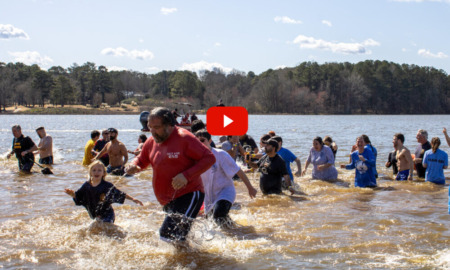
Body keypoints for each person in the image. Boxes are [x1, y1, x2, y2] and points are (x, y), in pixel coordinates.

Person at [125, 107, 215, 244]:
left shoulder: (184, 138)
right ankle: (193, 261)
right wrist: (133, 165)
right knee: (177, 239)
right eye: (150, 127)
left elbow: (209, 158)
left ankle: (186, 263)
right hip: (168, 200)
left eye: (157, 127)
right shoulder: (151, 141)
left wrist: (186, 175)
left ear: (169, 125)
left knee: (167, 234)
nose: (152, 131)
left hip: (189, 194)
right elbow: (142, 160)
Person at [195, 129, 257, 227]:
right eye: (196, 141)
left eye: (202, 140)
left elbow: (238, 170)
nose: (199, 144)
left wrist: (250, 187)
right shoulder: (195, 158)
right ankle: (239, 230)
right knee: (214, 222)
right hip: (209, 197)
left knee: (218, 216)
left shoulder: (220, 154)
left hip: (225, 192)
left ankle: (237, 236)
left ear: (210, 141)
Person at [64, 160, 143, 223]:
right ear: (90, 172)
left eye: (99, 170)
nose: (96, 172)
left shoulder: (107, 186)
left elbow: (120, 194)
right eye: (94, 170)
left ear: (103, 173)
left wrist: (133, 199)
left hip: (108, 214)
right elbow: (79, 197)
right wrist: (72, 194)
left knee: (105, 228)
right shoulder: (86, 185)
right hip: (94, 214)